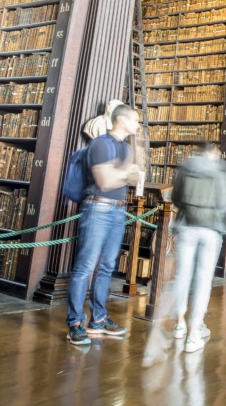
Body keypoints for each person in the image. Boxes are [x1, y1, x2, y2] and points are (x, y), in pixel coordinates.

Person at [66, 104, 142, 345]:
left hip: (118, 210)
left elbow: (131, 177)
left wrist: (126, 173)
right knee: (85, 267)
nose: (138, 126)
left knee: (108, 267)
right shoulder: (100, 144)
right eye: (135, 121)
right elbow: (105, 180)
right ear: (121, 120)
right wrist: (127, 173)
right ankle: (75, 323)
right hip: (97, 207)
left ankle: (98, 319)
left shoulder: (125, 148)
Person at [170, 142, 226, 353]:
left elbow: (175, 198)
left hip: (186, 226)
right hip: (210, 229)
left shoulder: (185, 168)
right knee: (203, 280)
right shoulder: (219, 172)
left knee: (182, 276)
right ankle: (194, 333)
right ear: (211, 152)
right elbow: (224, 204)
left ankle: (179, 323)